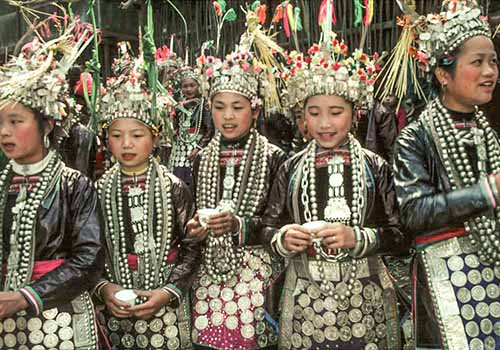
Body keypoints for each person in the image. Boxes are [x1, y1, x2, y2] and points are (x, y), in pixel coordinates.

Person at [261, 40, 405, 350]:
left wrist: (358, 238)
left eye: (336, 112)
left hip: (366, 298)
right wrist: (283, 238)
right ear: (303, 117)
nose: (324, 124)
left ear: (355, 114)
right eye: (314, 113)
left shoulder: (374, 166)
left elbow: (400, 232)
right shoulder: (291, 167)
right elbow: (268, 226)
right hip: (305, 299)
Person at [392, 2, 500, 349]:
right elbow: (413, 212)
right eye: (478, 62)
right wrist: (485, 194)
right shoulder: (416, 136)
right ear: (443, 74)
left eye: (493, 61)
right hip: (444, 279)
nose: (490, 72)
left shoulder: (488, 132)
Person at [0, 19, 103, 349]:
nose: (5, 132)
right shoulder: (2, 184)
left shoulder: (76, 186)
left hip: (61, 319)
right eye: (0, 122)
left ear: (46, 123)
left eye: (16, 122)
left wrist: (27, 295)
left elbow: (89, 260)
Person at [187, 27, 288, 349]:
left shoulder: (274, 158)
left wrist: (239, 226)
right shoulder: (201, 158)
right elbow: (190, 219)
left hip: (258, 272)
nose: (227, 116)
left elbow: (282, 223)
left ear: (255, 110)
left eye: (237, 107)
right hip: (208, 272)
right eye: (219, 106)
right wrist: (194, 228)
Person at [94, 49, 201, 350]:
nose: (126, 144)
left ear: (155, 138)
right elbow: (89, 250)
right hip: (117, 306)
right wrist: (104, 289)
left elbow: (192, 247)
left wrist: (168, 291)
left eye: (137, 135)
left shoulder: (175, 187)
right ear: (106, 138)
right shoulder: (98, 189)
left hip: (166, 304)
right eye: (116, 135)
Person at [168, 67, 214, 187]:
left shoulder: (204, 105)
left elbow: (210, 130)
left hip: (196, 149)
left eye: (192, 85)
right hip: (179, 151)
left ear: (198, 86)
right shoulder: (180, 106)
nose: (188, 89)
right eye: (185, 86)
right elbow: (176, 127)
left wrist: (198, 148)